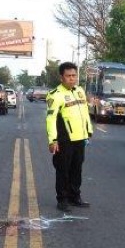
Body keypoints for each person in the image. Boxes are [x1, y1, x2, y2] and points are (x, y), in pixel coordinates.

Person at [46, 62, 93, 213]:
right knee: (63, 170)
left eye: (74, 75)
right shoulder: (56, 95)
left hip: (80, 138)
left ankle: (75, 196)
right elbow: (50, 119)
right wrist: (52, 140)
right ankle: (62, 199)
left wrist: (89, 131)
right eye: (68, 76)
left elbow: (85, 113)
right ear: (61, 77)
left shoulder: (80, 91)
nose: (72, 79)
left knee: (76, 169)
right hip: (64, 139)